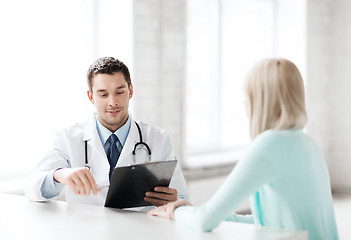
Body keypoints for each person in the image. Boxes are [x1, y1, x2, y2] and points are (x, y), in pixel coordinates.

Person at [148, 58, 339, 239]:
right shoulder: (307, 143)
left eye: (248, 95)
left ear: (262, 100)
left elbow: (203, 222)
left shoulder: (270, 144)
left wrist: (176, 210)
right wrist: (193, 210)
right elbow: (266, 224)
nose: (244, 104)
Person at [25, 57, 190, 210]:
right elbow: (32, 187)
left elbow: (183, 200)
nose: (113, 102)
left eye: (119, 92)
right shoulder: (69, 137)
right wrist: (59, 174)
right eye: (103, 94)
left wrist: (174, 201)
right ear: (91, 97)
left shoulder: (157, 138)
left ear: (130, 91)